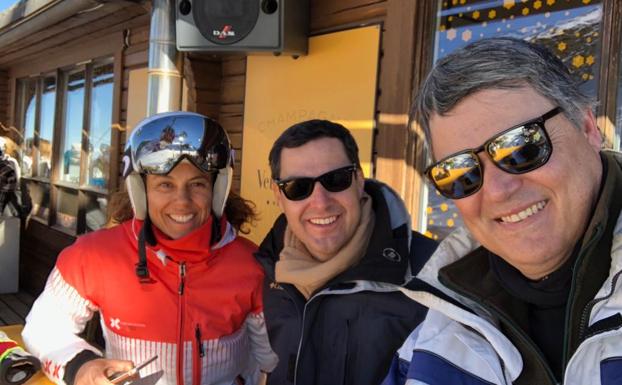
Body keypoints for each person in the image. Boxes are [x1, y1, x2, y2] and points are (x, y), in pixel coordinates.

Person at [383, 37, 622, 385]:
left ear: (587, 127)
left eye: (521, 146)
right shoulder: (430, 346)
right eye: (459, 171)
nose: (496, 190)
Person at [22, 112, 278, 385]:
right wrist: (81, 367)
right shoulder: (95, 255)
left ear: (217, 192)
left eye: (197, 184)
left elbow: (272, 360)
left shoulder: (251, 265)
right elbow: (43, 327)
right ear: (140, 192)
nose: (182, 202)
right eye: (165, 185)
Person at [255, 119, 437, 385]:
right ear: (279, 196)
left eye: (335, 180)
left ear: (359, 181)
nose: (320, 202)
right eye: (298, 187)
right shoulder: (267, 269)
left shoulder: (431, 275)